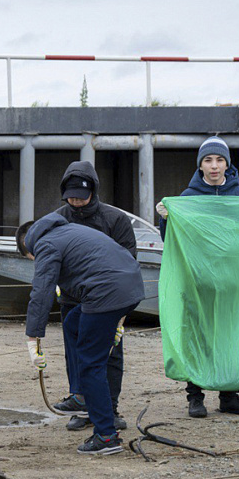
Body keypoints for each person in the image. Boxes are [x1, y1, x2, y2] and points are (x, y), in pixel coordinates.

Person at [17, 213, 144, 455]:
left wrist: (32, 341)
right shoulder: (71, 230)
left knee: (90, 365)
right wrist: (117, 321)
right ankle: (83, 398)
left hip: (106, 294)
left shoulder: (45, 244)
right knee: (73, 320)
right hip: (131, 286)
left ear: (28, 248)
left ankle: (106, 435)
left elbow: (41, 292)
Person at [155, 136, 239, 418]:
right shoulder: (188, 198)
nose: (214, 166)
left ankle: (230, 395)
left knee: (230, 335)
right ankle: (195, 396)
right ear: (200, 165)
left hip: (231, 282)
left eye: (219, 160)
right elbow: (173, 242)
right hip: (198, 281)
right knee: (198, 336)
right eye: (208, 160)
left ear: (228, 164)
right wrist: (166, 219)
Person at [52, 160, 136, 432]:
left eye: (81, 196)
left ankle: (109, 408)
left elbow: (128, 259)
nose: (76, 202)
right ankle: (82, 402)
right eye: (71, 197)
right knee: (76, 354)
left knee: (110, 353)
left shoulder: (115, 219)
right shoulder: (58, 218)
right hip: (72, 299)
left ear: (94, 191)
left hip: (107, 301)